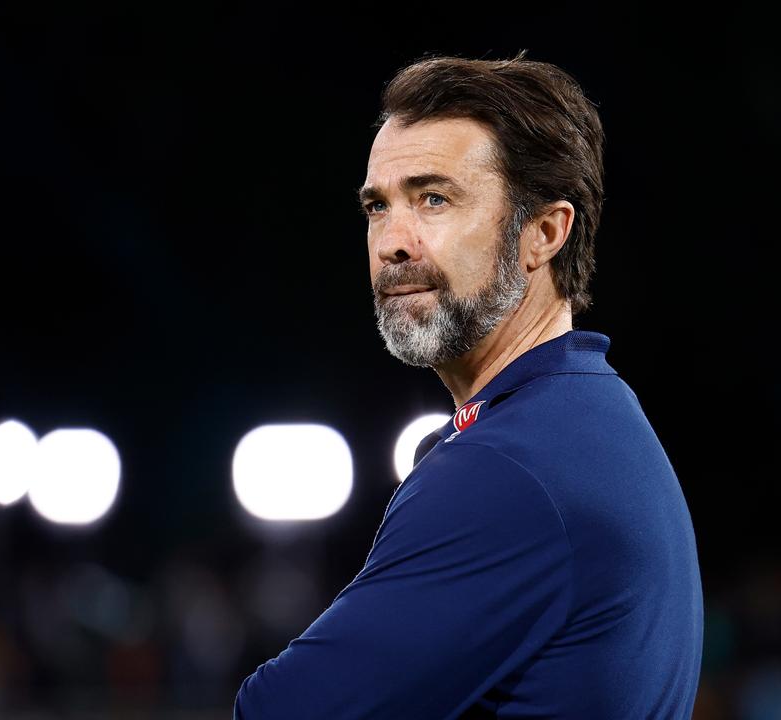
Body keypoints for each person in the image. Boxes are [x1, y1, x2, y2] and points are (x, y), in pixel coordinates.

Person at [233, 53, 703, 719]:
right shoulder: (587, 417)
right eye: (378, 206)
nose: (393, 241)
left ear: (544, 233)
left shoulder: (509, 467)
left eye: (434, 199)